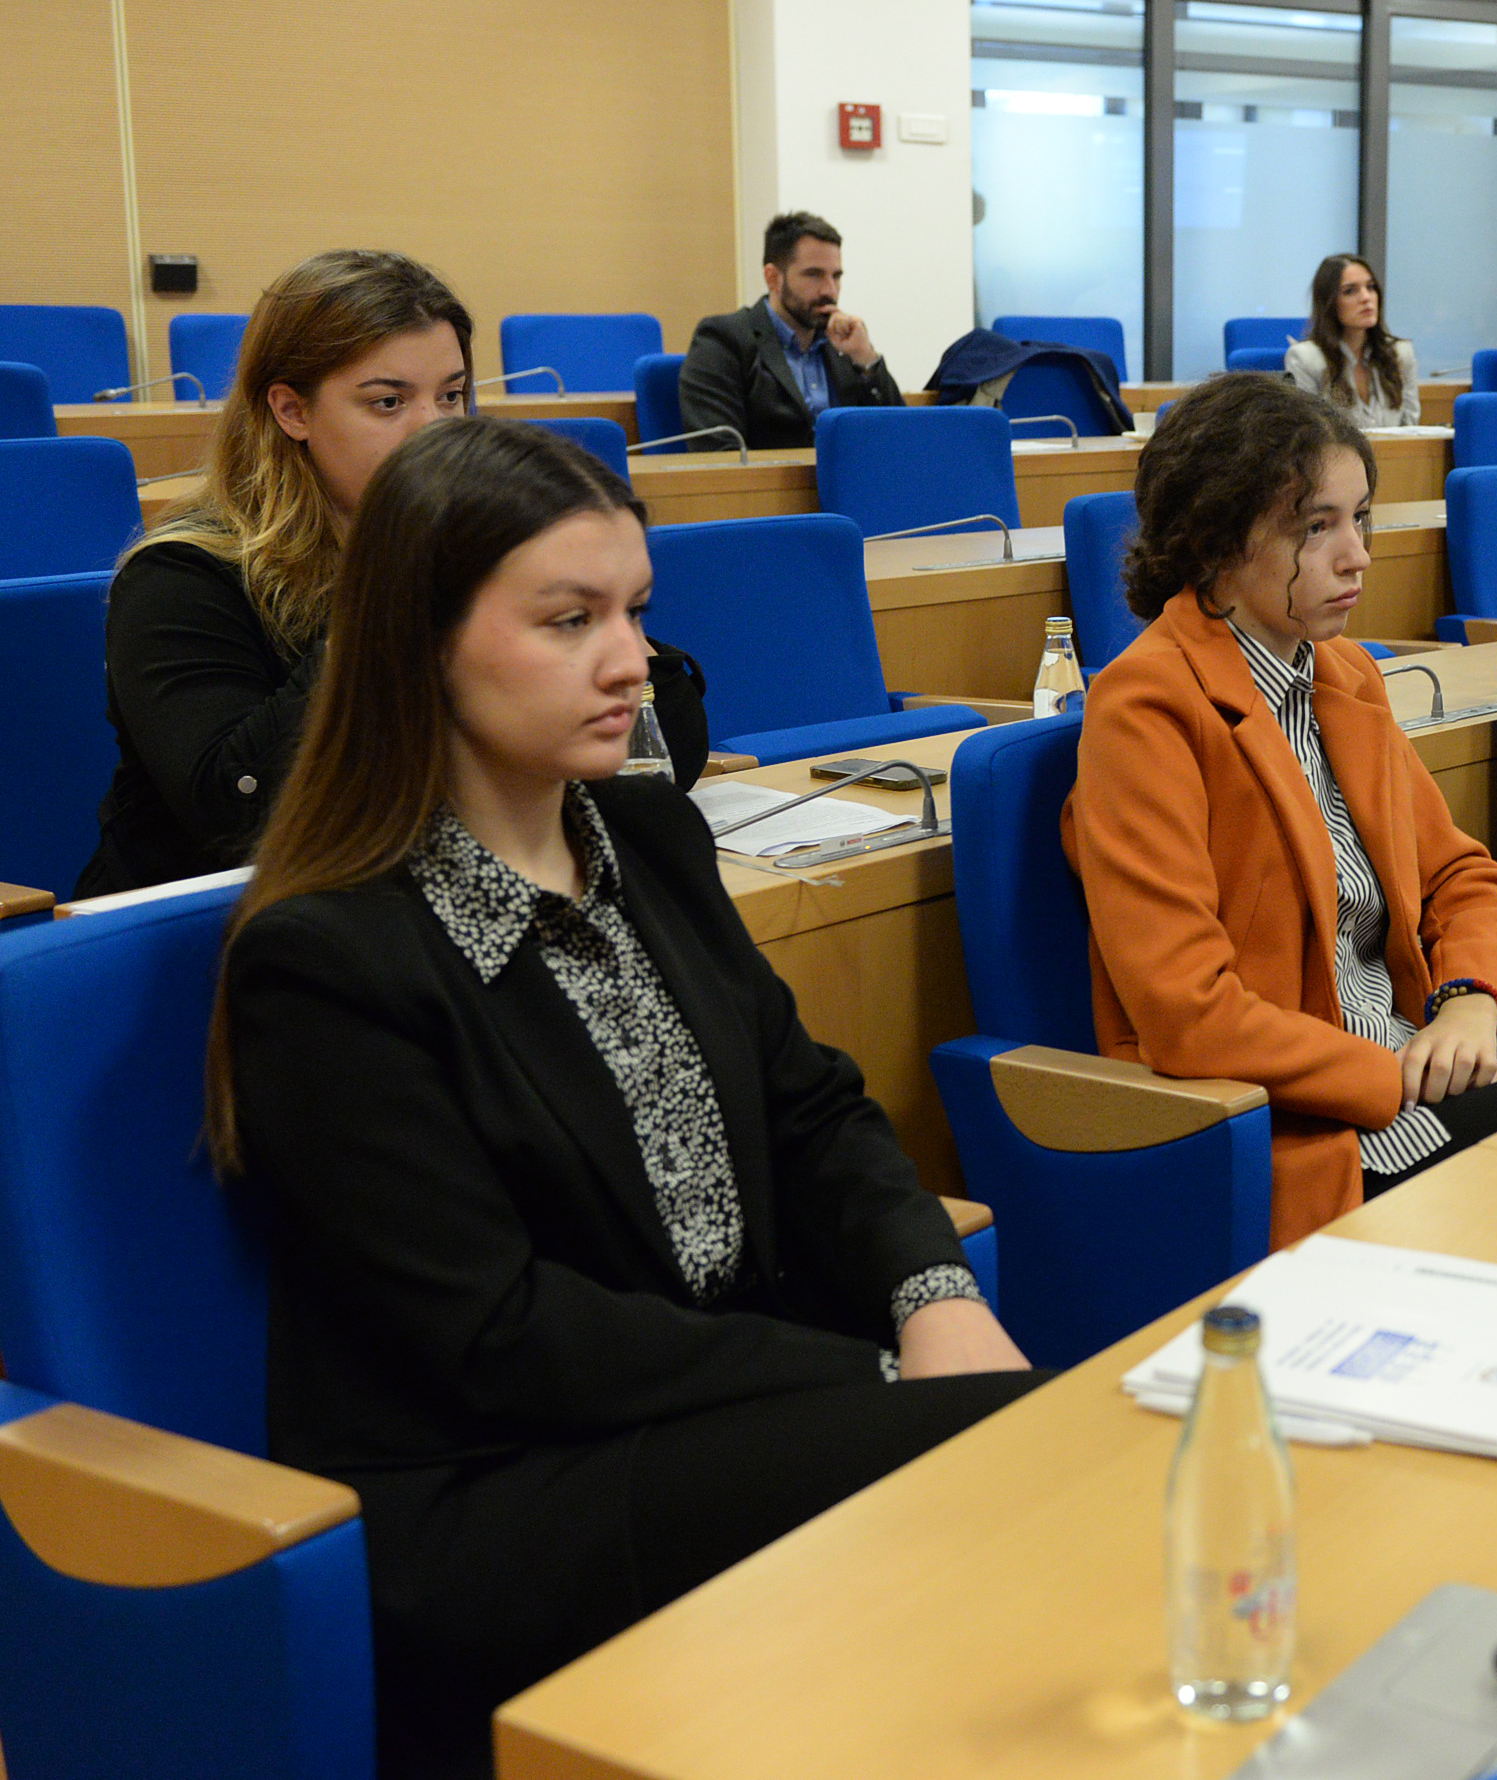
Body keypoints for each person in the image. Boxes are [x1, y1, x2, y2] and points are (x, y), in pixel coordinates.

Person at [212, 417, 1039, 1779]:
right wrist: (866, 1373)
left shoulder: (645, 833)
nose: (630, 659)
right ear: (422, 640)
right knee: (1004, 1463)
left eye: (636, 610)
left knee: (1034, 1449)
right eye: (569, 620)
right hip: (504, 1488)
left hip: (709, 1400)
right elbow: (496, 1336)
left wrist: (931, 1294)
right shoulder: (329, 956)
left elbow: (811, 1108)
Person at [1064, 374, 1497, 1247]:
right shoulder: (1146, 708)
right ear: (1216, 539)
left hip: (1423, 1078)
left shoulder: (1344, 672)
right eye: (1315, 527)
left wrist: (1471, 1003)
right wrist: (1395, 1073)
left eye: (1360, 518)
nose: (1357, 555)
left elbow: (1462, 876)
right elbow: (1189, 1014)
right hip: (1309, 1132)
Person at [83, 249, 707, 898]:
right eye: (388, 402)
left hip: (431, 896)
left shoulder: (488, 552)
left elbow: (664, 751)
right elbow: (237, 810)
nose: (434, 432)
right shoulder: (181, 577)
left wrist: (590, 605)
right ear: (292, 411)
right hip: (214, 926)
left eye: (451, 396)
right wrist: (390, 593)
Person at [678, 210, 904, 451]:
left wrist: (865, 359)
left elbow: (901, 435)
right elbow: (718, 451)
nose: (829, 290)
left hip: (850, 475)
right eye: (814, 275)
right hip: (770, 476)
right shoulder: (723, 339)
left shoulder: (844, 346)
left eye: (836, 276)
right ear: (773, 278)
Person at [1285, 253, 1420, 428]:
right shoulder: (1306, 359)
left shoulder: (1400, 353)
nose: (1366, 297)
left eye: (1370, 287)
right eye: (1350, 291)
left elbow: (1412, 431)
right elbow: (1308, 433)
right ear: (1329, 302)